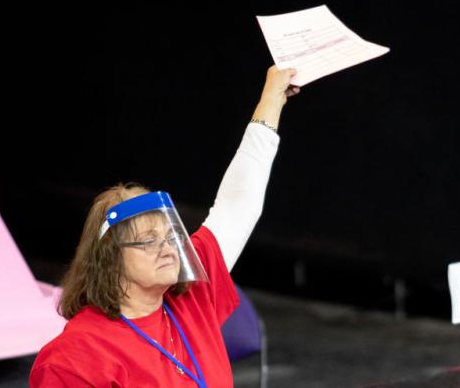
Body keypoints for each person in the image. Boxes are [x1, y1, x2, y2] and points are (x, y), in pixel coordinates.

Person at [29, 65, 300, 387]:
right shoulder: (75, 358)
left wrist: (271, 97)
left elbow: (238, 205)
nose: (169, 248)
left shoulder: (193, 294)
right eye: (148, 240)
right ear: (109, 258)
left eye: (172, 236)